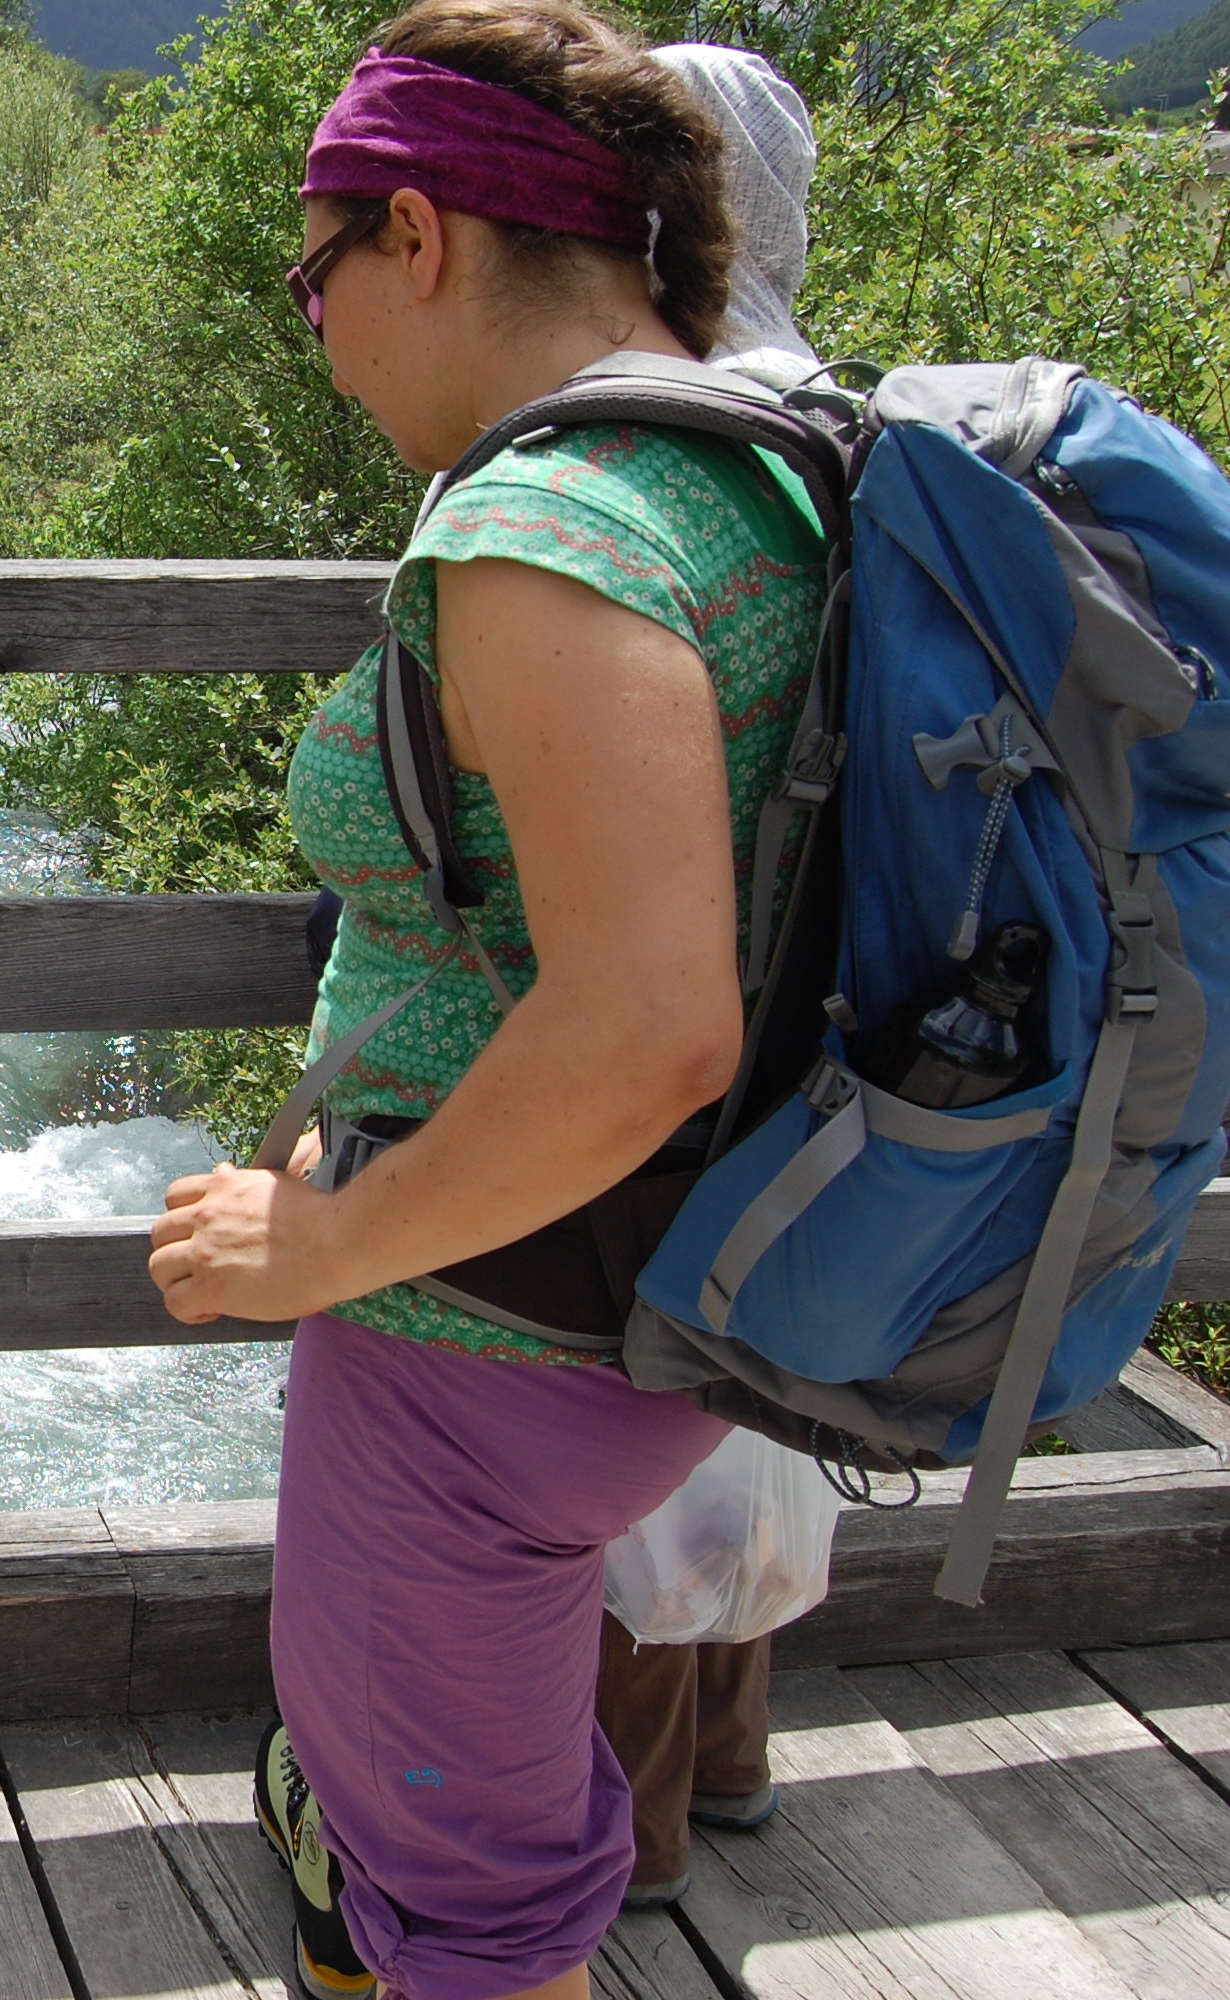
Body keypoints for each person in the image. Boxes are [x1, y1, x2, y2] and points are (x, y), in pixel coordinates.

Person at [146, 5, 829, 1997]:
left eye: (315, 267)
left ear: (420, 235)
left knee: (465, 1878)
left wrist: (330, 1237)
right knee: (497, 1824)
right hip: (650, 1302)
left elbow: (643, 1024)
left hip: (477, 1344)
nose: (315, 322)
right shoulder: (748, 470)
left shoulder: (548, 524)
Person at [589, 38, 820, 1916]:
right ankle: (733, 1759)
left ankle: (634, 1840)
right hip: (844, 1029)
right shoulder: (849, 429)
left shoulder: (632, 448)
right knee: (752, 1397)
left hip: (668, 1025)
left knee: (621, 1430)